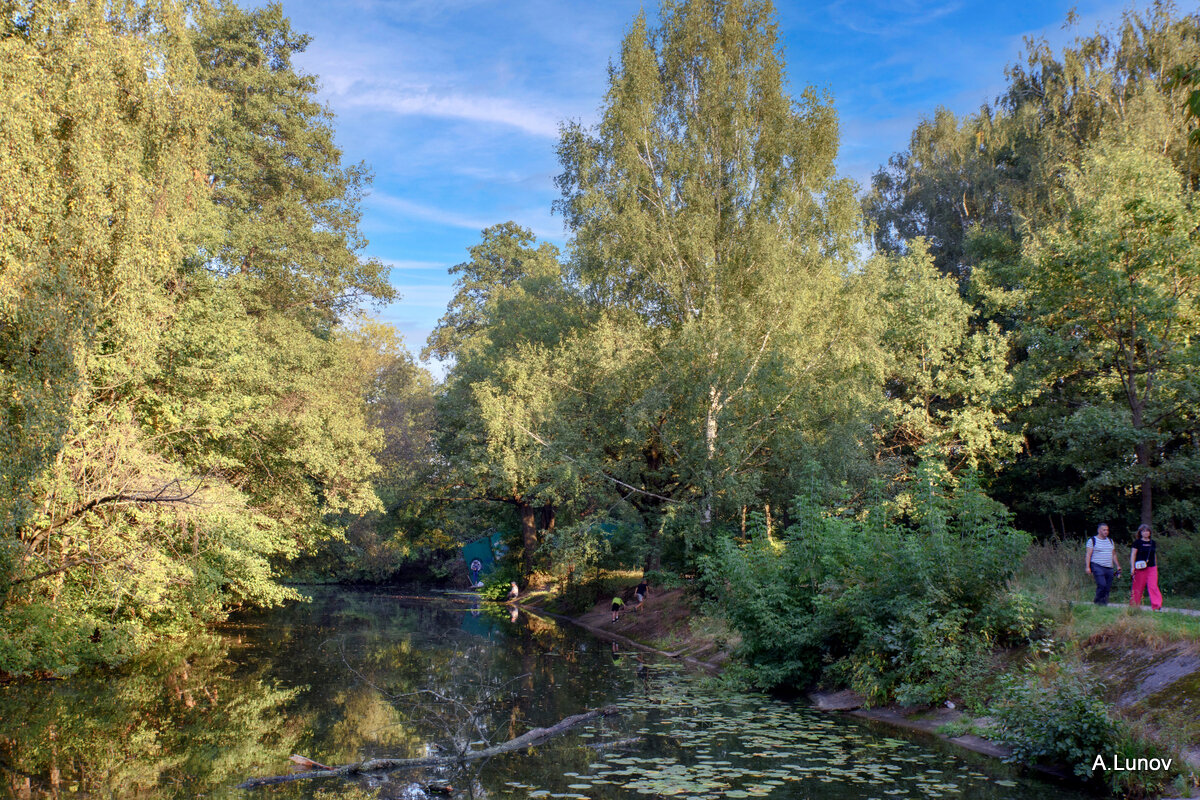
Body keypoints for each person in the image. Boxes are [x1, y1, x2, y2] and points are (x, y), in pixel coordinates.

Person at [1085, 522, 1121, 605]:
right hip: (1097, 565)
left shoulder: (1110, 541)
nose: (1106, 531)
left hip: (1109, 567)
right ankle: (1097, 602)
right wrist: (1087, 567)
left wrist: (1118, 565)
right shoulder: (1092, 540)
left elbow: (1114, 554)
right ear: (1099, 530)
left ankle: (1104, 604)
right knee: (1102, 584)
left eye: (1107, 530)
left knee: (1107, 587)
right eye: (1104, 530)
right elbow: (1088, 554)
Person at [1129, 523, 1163, 611]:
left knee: (1153, 586)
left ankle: (1157, 606)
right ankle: (1134, 606)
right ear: (1140, 533)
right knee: (1137, 587)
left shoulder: (1153, 543)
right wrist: (1132, 567)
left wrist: (1156, 566)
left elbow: (1154, 555)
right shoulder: (1137, 543)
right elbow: (1133, 555)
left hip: (1152, 568)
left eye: (1147, 531)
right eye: (1143, 531)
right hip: (1140, 568)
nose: (1146, 533)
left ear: (1150, 532)